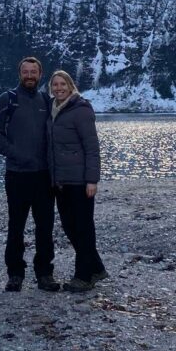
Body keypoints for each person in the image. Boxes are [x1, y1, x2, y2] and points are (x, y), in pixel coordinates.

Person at [0, 56, 59, 293]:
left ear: (41, 75)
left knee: (45, 226)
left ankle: (44, 274)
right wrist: (17, 155)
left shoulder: (46, 101)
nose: (29, 76)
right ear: (20, 74)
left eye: (34, 72)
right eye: (26, 72)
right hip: (17, 175)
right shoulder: (8, 100)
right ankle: (15, 274)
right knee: (16, 225)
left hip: (43, 176)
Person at [47, 69, 107, 292]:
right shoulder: (52, 110)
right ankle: (97, 267)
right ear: (51, 88)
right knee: (70, 226)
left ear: (71, 86)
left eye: (63, 84)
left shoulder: (80, 110)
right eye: (55, 85)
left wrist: (92, 180)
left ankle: (83, 277)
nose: (59, 88)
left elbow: (92, 148)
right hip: (61, 181)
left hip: (80, 181)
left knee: (83, 227)